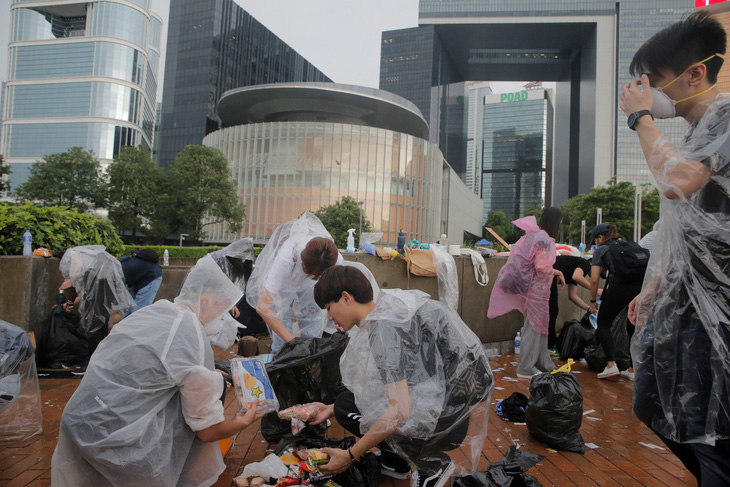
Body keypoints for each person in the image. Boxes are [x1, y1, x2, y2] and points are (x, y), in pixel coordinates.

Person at [620, 11, 730, 484]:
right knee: (658, 402)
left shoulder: (726, 117)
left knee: (713, 429)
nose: (649, 92)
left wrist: (640, 117)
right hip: (691, 302)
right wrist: (656, 285)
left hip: (721, 312)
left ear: (696, 73)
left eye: (656, 82)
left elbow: (678, 183)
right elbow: (681, 229)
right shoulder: (696, 133)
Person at [51, 255, 266, 487]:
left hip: (82, 419)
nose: (225, 320)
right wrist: (243, 422)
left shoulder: (161, 310)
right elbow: (207, 430)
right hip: (116, 440)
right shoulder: (190, 331)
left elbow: (157, 366)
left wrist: (209, 376)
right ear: (205, 300)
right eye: (223, 311)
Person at [304, 265, 493, 487]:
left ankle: (430, 463)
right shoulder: (391, 309)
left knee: (347, 407)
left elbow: (401, 411)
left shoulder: (382, 331)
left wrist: (351, 455)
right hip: (452, 409)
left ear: (346, 298)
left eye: (329, 307)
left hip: (440, 423)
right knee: (344, 402)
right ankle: (397, 460)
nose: (329, 317)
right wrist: (330, 409)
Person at [246, 212, 379, 354]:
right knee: (282, 346)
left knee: (312, 341)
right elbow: (263, 306)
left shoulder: (335, 260)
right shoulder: (287, 257)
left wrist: (341, 319)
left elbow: (340, 297)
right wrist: (292, 343)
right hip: (282, 290)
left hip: (312, 293)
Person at [487, 208, 565, 379]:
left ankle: (540, 362)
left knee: (539, 326)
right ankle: (526, 367)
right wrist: (556, 272)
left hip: (531, 288)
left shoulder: (534, 235)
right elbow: (542, 266)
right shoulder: (544, 239)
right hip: (536, 289)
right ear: (554, 222)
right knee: (535, 327)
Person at [59, 246, 135, 374]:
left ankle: (90, 365)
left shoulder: (74, 254)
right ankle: (97, 362)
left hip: (97, 297)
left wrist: (64, 286)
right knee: (100, 329)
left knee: (93, 330)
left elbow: (76, 272)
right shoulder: (99, 259)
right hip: (103, 296)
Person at [588, 224, 642, 380]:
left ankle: (611, 364)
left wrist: (593, 300)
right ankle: (632, 369)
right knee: (631, 324)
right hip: (639, 289)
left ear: (599, 238)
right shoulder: (631, 245)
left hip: (618, 288)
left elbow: (594, 280)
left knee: (603, 323)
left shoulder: (602, 249)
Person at [547, 254, 598, 352]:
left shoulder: (575, 267)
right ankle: (550, 344)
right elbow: (576, 277)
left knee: (552, 311)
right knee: (552, 311)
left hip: (549, 275)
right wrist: (595, 289)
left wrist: (589, 309)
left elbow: (573, 296)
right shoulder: (586, 264)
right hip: (549, 274)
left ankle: (550, 342)